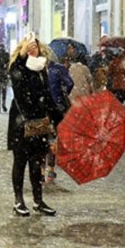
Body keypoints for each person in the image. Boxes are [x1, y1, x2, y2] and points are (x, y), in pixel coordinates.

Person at [8, 34, 62, 217]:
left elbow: (47, 96)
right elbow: (18, 83)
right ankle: (18, 201)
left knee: (37, 164)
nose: (32, 48)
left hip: (39, 123)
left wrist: (58, 118)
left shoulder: (41, 69)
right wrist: (22, 56)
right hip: (21, 122)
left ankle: (38, 201)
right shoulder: (18, 67)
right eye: (28, 46)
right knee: (20, 162)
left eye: (35, 46)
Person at [45, 55, 74, 184]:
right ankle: (50, 168)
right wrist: (62, 94)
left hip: (42, 108)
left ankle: (42, 170)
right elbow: (70, 83)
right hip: (57, 107)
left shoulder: (36, 70)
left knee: (43, 138)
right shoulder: (58, 69)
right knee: (53, 138)